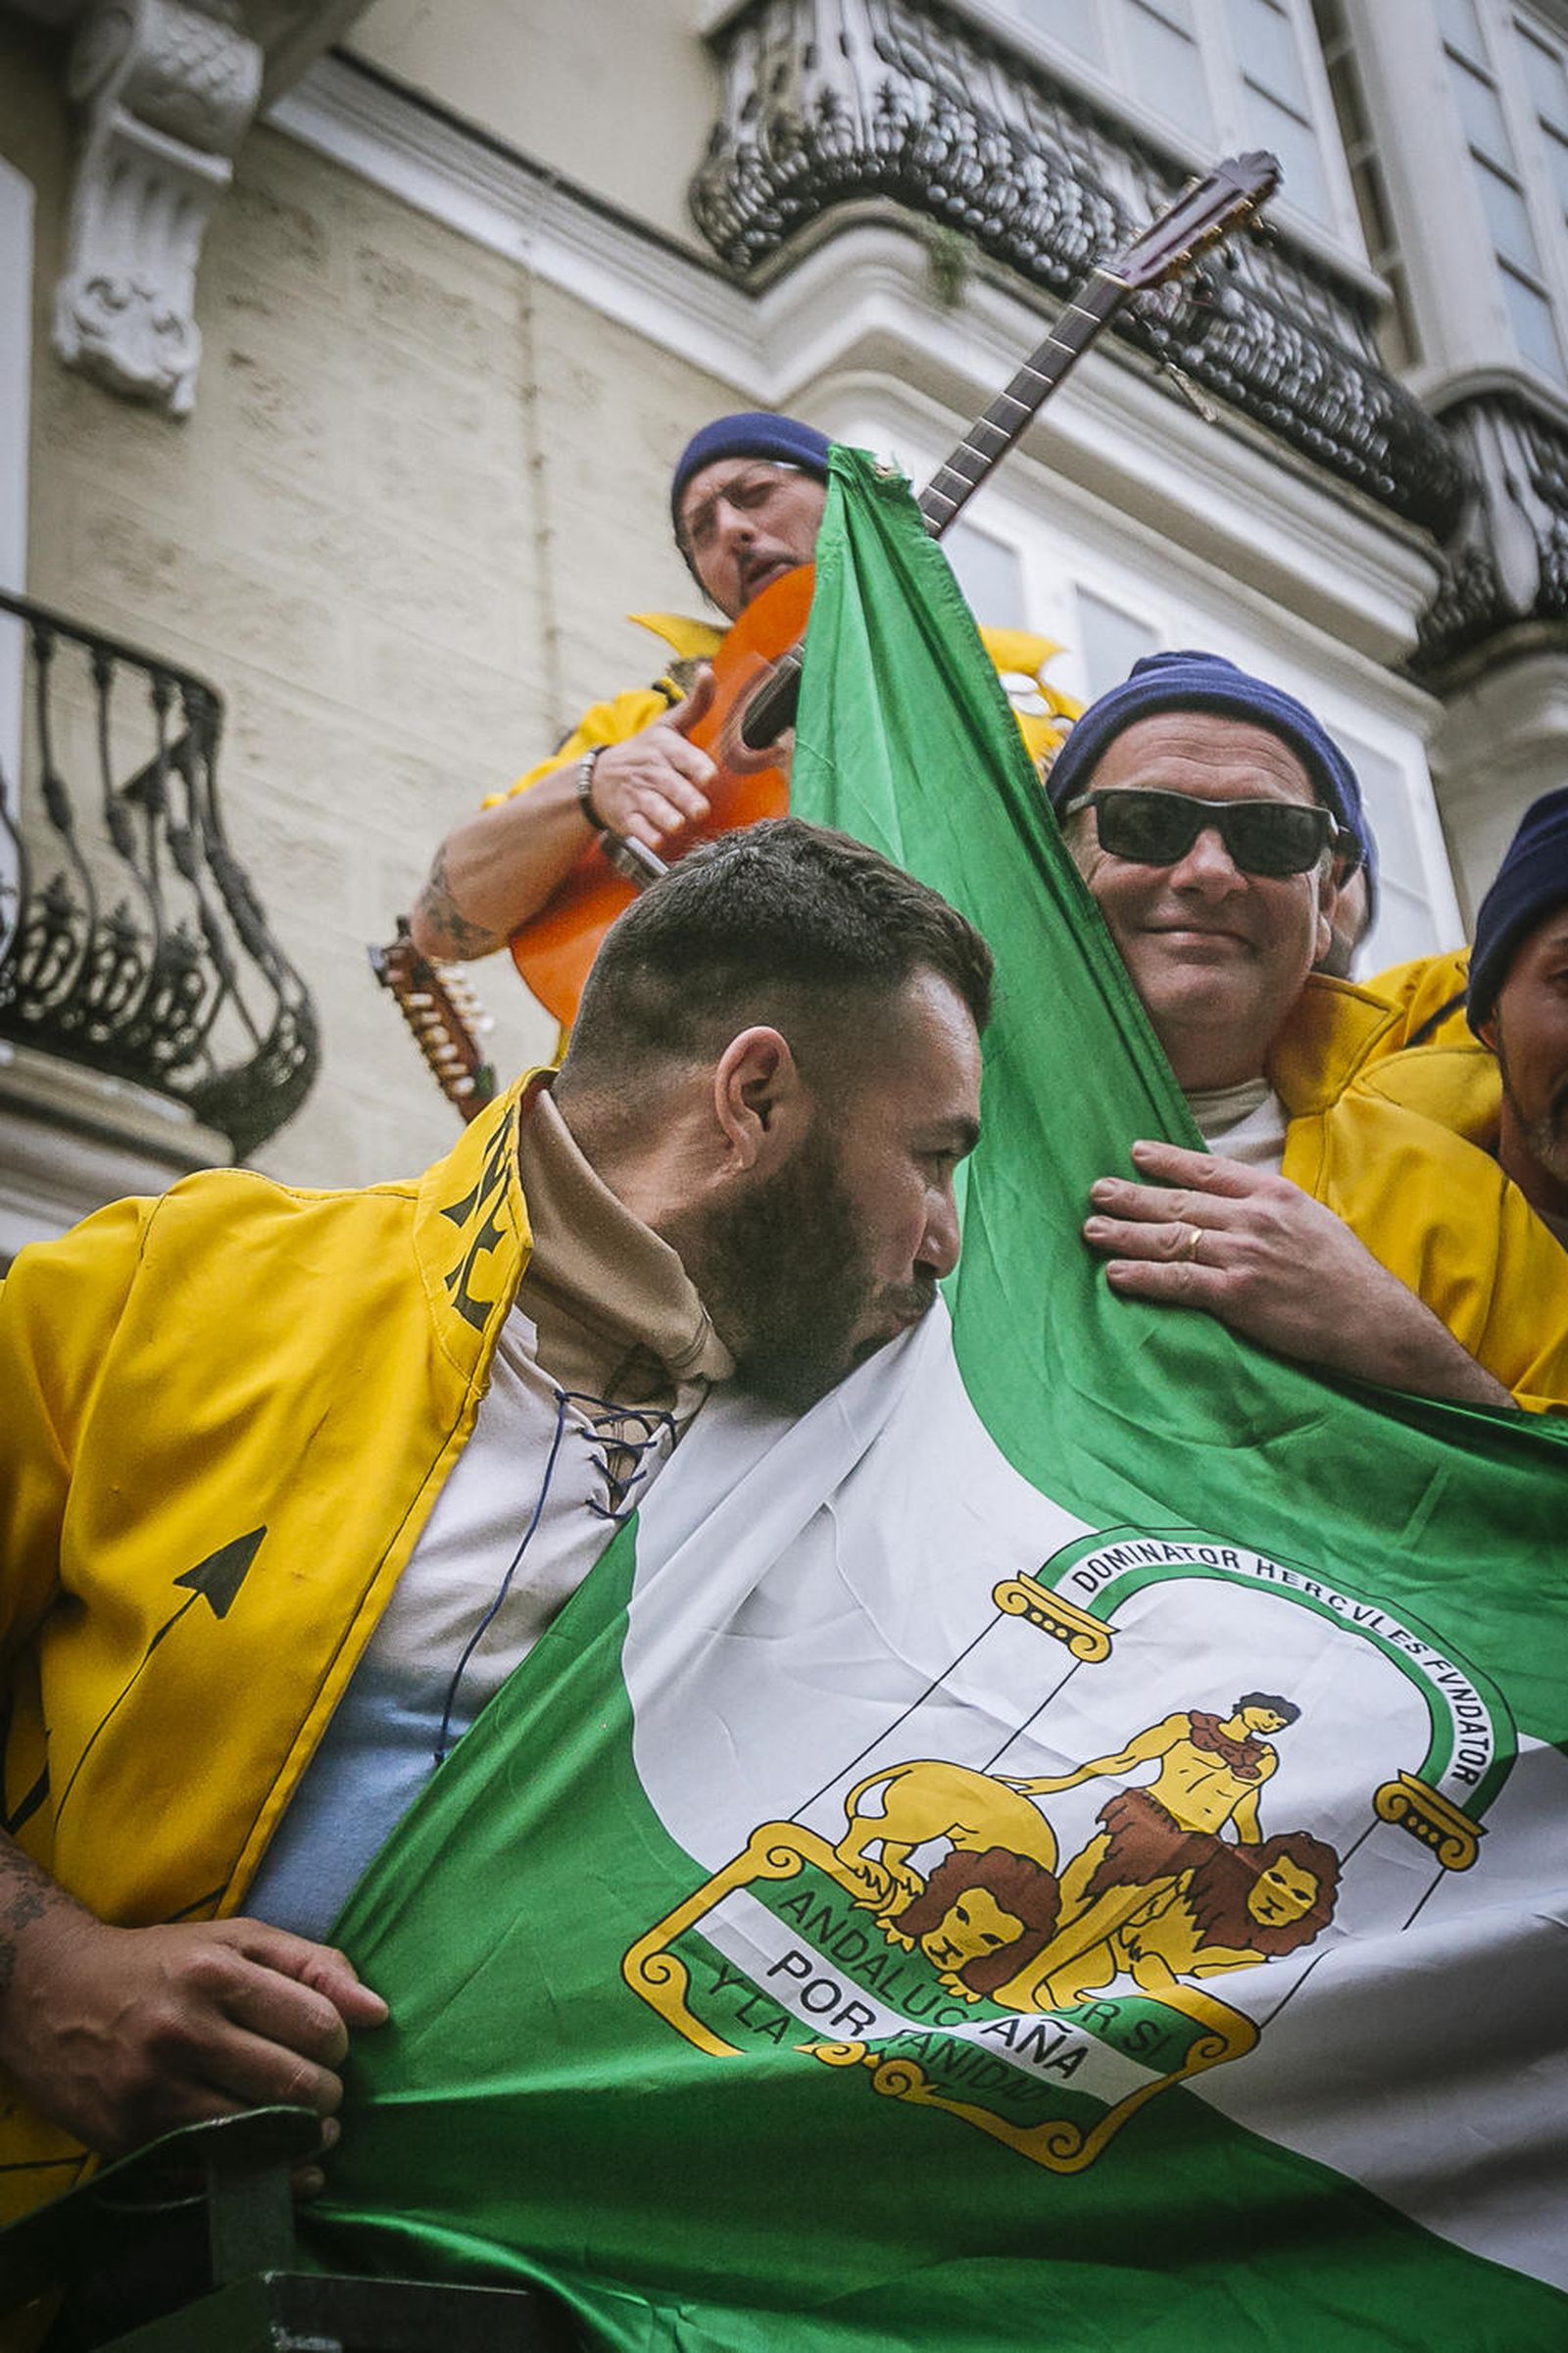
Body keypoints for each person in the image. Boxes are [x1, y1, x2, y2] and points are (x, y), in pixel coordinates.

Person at [0, 818, 989, 2219]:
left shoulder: (884, 1446)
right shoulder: (173, 1282)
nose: (946, 1239)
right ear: (754, 1096)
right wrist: (39, 1974)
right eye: (936, 1159)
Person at [1043, 650, 1568, 1409]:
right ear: (1056, 864)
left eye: (1272, 836)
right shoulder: (932, 1113)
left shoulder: (1453, 1205)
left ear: (1326, 906)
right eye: (1148, 821)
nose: (1209, 871)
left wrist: (1397, 1346)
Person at [409, 412, 1077, 974]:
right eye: (700, 531)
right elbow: (441, 927)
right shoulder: (645, 721)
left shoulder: (1022, 701)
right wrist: (593, 784)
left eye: (756, 494)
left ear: (843, 497)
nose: (730, 529)